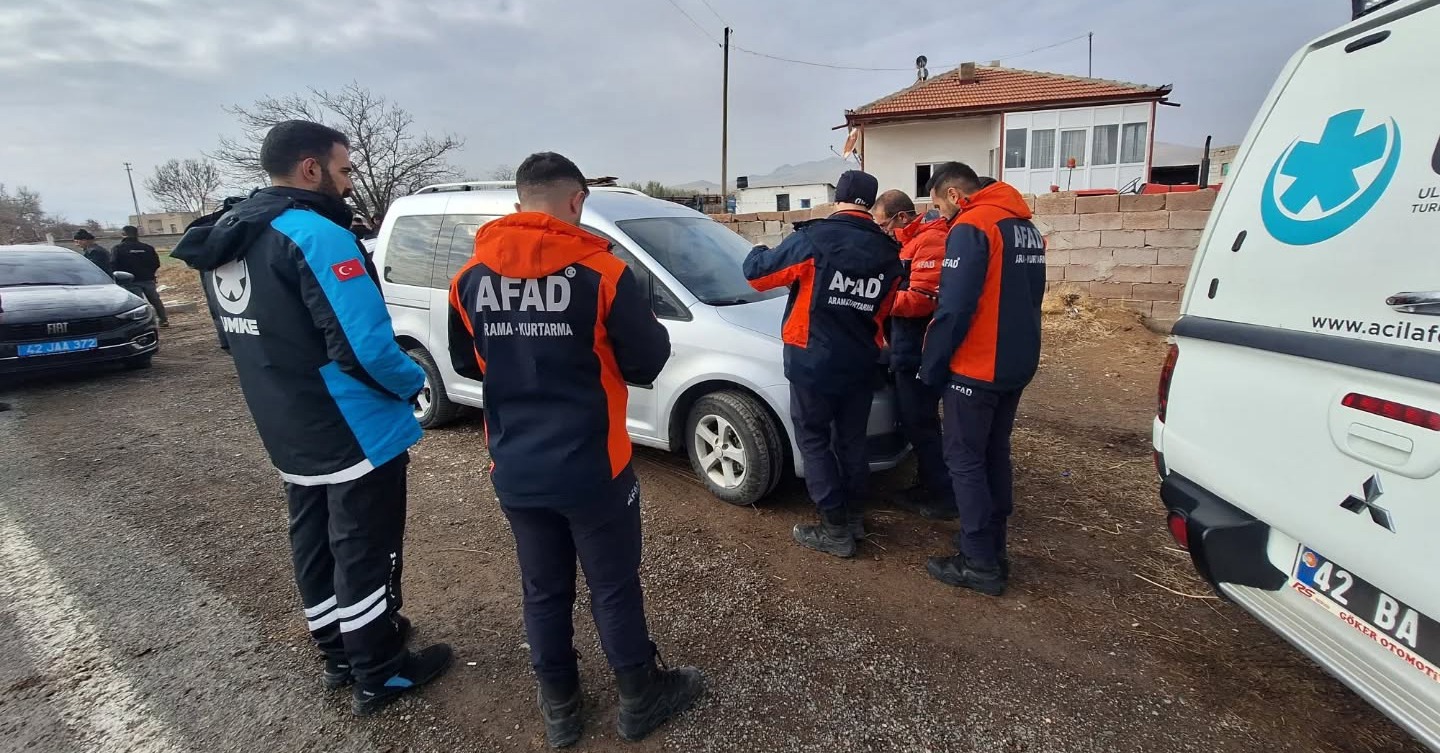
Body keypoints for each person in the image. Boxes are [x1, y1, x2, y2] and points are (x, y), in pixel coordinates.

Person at [171, 120, 452, 715]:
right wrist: (413, 385)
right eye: (344, 170)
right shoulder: (314, 235)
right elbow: (364, 346)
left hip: (283, 417)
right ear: (310, 168)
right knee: (364, 546)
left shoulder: (229, 234)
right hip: (349, 425)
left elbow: (232, 338)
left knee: (314, 539)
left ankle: (338, 653)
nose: (348, 184)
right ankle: (380, 669)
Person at [448, 152, 703, 748]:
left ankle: (560, 706)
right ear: (577, 201)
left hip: (514, 463)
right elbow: (647, 361)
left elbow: (467, 364)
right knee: (612, 584)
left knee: (542, 586)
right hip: (595, 465)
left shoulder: (468, 279)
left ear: (518, 204)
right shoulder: (605, 275)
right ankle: (639, 695)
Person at [743, 170, 901, 558]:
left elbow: (758, 276)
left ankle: (833, 528)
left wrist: (758, 249)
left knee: (814, 440)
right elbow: (886, 309)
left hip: (813, 361)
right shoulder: (889, 252)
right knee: (851, 440)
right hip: (862, 360)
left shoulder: (814, 238)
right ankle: (853, 518)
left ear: (839, 198)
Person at [919, 162, 1045, 597]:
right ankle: (993, 545)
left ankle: (978, 562)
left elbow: (953, 308)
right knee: (994, 454)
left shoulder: (973, 226)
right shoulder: (1023, 225)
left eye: (937, 206)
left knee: (965, 459)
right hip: (1016, 361)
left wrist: (931, 367)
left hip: (977, 365)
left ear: (954, 194)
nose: (938, 216)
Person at [873, 189, 954, 520]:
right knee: (916, 420)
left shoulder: (931, 240)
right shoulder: (908, 243)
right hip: (905, 346)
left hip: (918, 349)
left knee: (920, 422)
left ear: (902, 217)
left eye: (882, 224)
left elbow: (922, 298)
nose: (882, 230)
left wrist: (872, 300)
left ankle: (941, 495)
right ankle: (929, 482)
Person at [112, 225, 169, 326]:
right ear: (137, 234)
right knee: (155, 300)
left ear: (123, 234)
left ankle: (143, 323)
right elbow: (156, 263)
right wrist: (150, 273)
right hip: (148, 279)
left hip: (129, 281)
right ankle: (163, 320)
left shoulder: (118, 249)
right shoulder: (147, 248)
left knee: (138, 304)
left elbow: (113, 264)